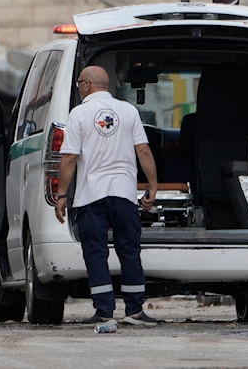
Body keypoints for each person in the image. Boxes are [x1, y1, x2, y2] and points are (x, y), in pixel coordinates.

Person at [54, 65, 160, 326]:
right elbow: (143, 151)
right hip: (124, 193)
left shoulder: (79, 114)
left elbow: (69, 157)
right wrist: (153, 186)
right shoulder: (128, 111)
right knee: (129, 250)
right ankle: (135, 311)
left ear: (87, 85)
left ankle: (104, 312)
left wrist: (61, 194)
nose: (79, 88)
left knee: (95, 252)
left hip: (91, 195)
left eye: (79, 83)